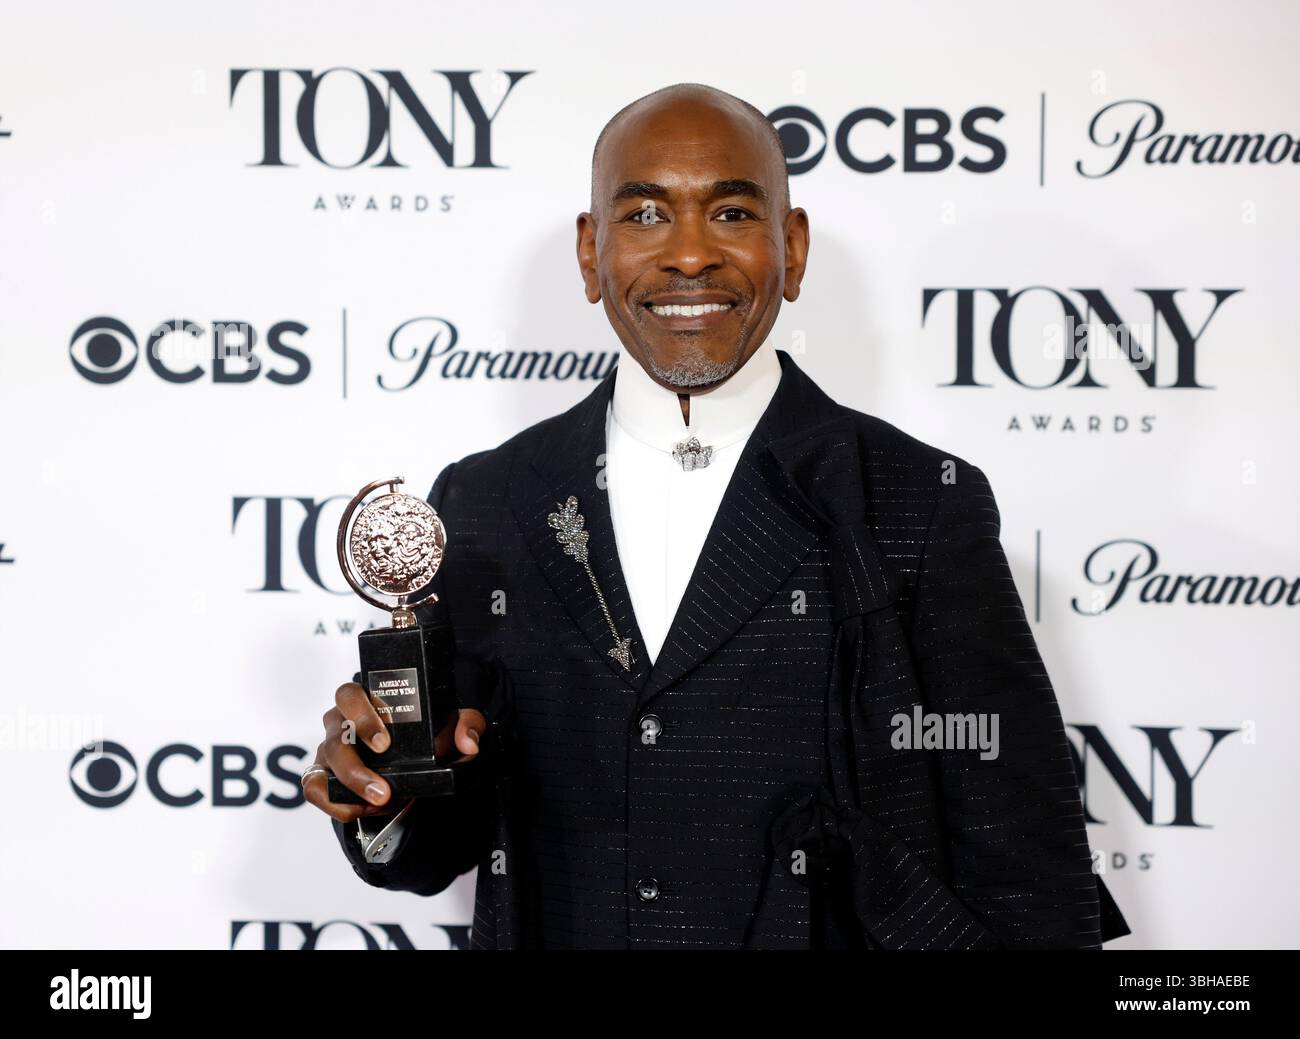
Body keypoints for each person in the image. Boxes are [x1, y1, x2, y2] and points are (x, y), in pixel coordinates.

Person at [301, 82, 1129, 950]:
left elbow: (1020, 857)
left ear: (793, 248)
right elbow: (431, 849)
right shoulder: (486, 499)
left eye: (732, 214)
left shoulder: (918, 500)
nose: (690, 255)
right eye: (646, 215)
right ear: (591, 254)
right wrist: (383, 785)